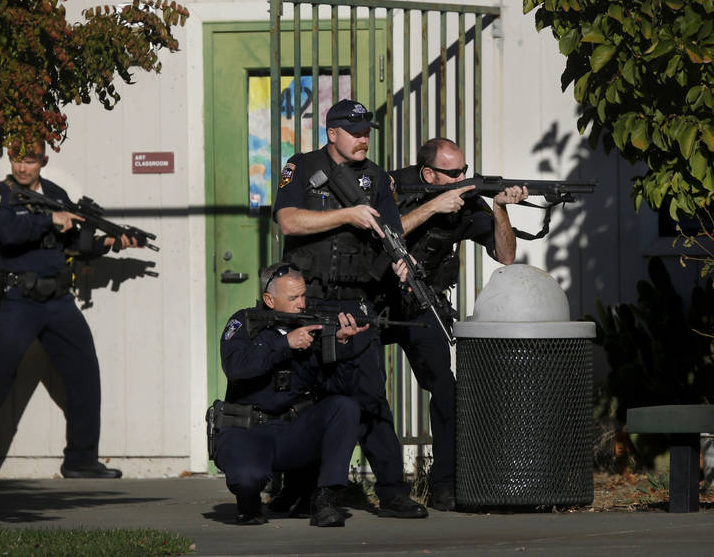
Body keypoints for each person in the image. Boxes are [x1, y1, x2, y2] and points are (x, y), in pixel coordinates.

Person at [0, 140, 142, 479]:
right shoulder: (0, 197)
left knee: (86, 375)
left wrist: (112, 243)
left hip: (58, 302)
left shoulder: (56, 194)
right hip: (18, 301)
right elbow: (5, 233)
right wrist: (49, 221)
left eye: (29, 160)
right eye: (17, 159)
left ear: (43, 160)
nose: (22, 167)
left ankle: (80, 460)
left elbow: (74, 243)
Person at [273, 98, 428, 519]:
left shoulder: (377, 178)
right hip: (308, 300)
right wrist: (348, 215)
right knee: (304, 395)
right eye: (354, 132)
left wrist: (401, 260)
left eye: (366, 133)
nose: (363, 140)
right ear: (331, 133)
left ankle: (393, 492)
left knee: (370, 396)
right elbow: (288, 221)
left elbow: (391, 233)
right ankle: (301, 489)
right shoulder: (301, 167)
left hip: (355, 300)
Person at [386, 137, 528, 511]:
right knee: (363, 388)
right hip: (376, 301)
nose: (463, 177)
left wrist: (499, 208)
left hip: (420, 303)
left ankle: (444, 485)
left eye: (465, 170)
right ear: (428, 173)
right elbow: (378, 233)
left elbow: (506, 255)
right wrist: (434, 206)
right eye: (453, 173)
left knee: (446, 389)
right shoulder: (393, 185)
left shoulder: (465, 199)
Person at [211, 262, 367, 527]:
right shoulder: (245, 323)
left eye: (303, 295)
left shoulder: (313, 328)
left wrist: (341, 346)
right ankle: (249, 501)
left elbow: (337, 388)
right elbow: (236, 367)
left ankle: (324, 499)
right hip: (249, 431)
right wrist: (285, 344)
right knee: (247, 479)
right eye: (293, 298)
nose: (302, 304)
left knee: (345, 407)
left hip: (292, 432)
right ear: (270, 300)